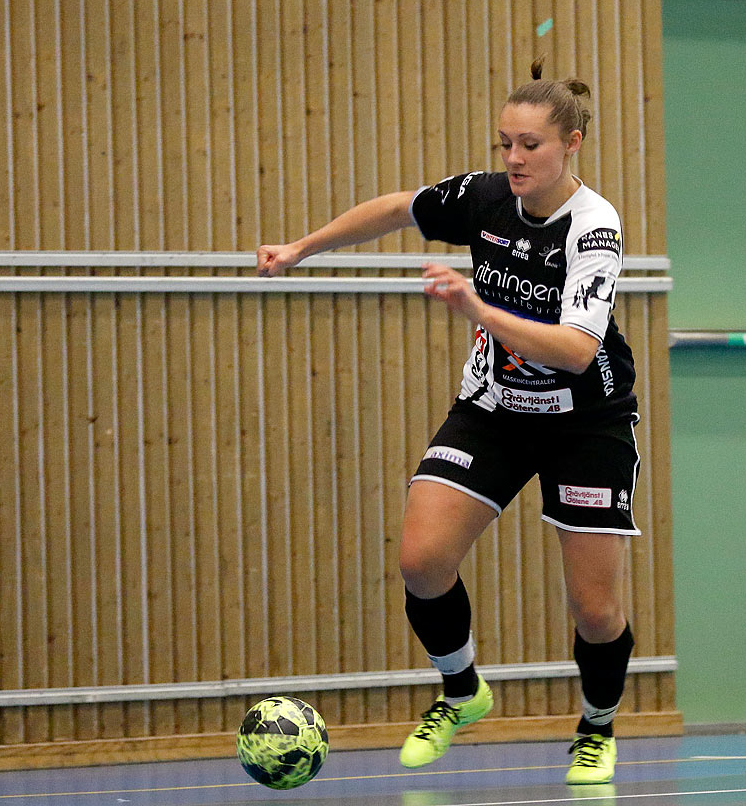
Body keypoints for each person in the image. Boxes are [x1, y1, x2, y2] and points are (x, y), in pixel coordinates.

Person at [257, 60, 638, 786]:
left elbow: (576, 348)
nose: (515, 159)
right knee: (422, 561)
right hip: (494, 411)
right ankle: (462, 691)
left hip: (586, 421)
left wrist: (480, 311)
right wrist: (303, 247)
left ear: (573, 144)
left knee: (595, 610)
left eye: (531, 145)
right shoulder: (486, 198)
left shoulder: (594, 228)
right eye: (505, 144)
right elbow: (401, 207)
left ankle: (596, 725)